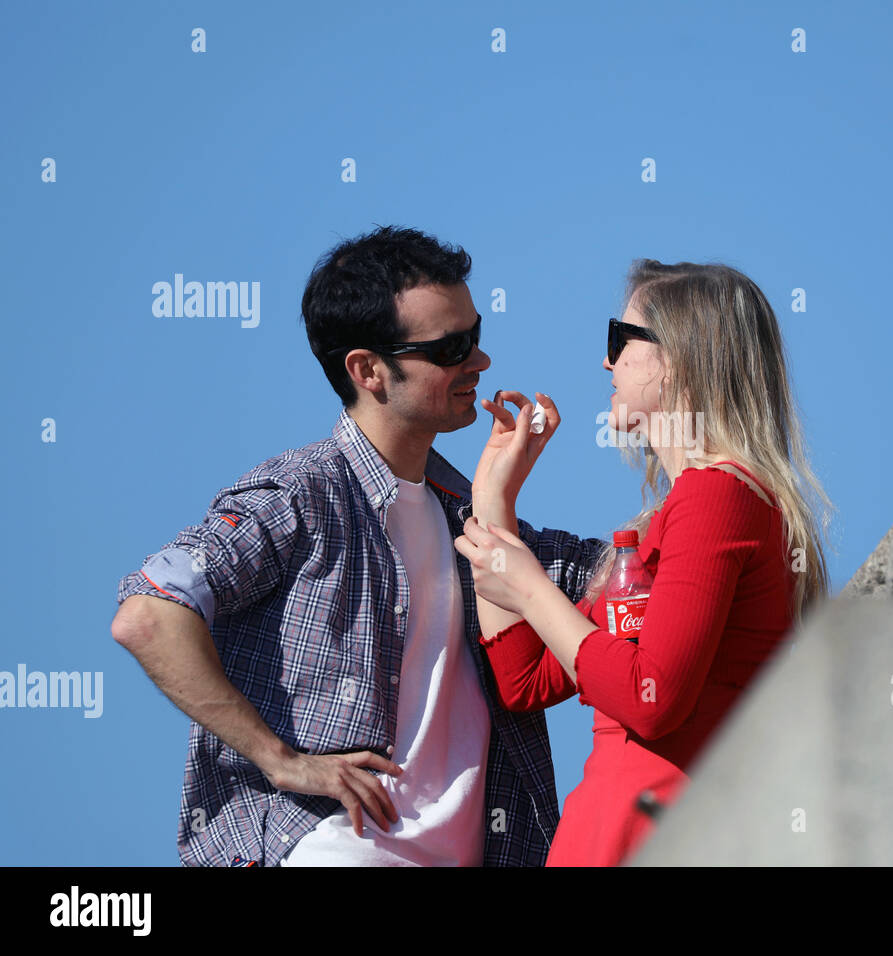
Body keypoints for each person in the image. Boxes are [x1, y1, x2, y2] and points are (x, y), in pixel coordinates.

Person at [110, 226, 605, 866]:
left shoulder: (467, 512)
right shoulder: (299, 494)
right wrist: (280, 760)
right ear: (368, 370)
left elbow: (631, 572)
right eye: (451, 347)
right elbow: (147, 612)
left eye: (475, 335)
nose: (479, 362)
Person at [453, 259, 831, 865]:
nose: (607, 362)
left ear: (677, 357)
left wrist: (529, 588)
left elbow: (650, 700)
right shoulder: (677, 516)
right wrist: (494, 500)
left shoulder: (718, 496)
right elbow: (524, 681)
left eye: (619, 339)